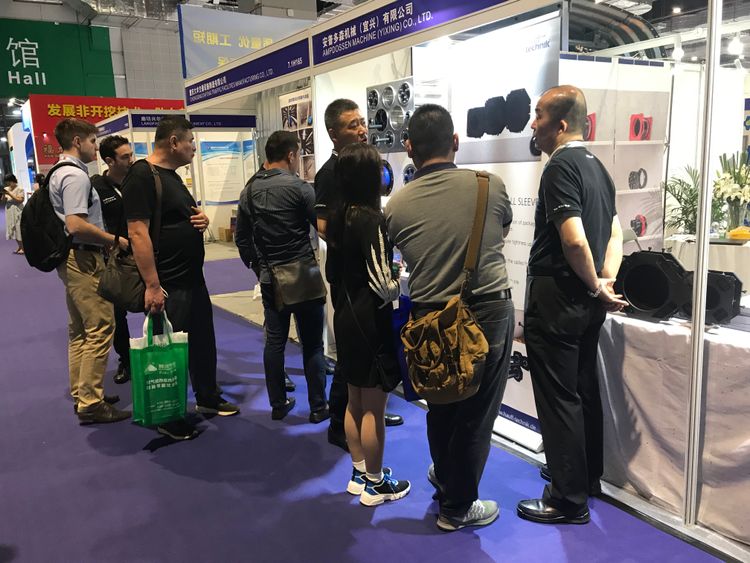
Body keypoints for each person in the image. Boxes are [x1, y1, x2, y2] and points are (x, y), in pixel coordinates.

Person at [385, 104, 514, 532]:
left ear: (409, 148)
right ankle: (457, 506)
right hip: (487, 310)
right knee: (477, 412)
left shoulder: (396, 205)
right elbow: (502, 230)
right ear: (455, 141)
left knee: (440, 404)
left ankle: (446, 478)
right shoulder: (489, 186)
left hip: (428, 316)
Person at [516, 86, 626, 525]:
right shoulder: (598, 167)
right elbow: (614, 234)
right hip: (584, 299)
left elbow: (574, 239)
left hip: (558, 298)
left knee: (559, 396)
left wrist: (596, 285)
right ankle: (584, 477)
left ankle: (567, 498)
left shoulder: (560, 166)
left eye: (539, 115)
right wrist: (603, 282)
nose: (533, 124)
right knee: (581, 389)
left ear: (561, 125)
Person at [122, 116, 240, 441]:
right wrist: (152, 285)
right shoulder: (142, 175)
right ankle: (168, 416)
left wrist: (201, 220)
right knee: (167, 349)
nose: (194, 148)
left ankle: (208, 396)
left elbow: (178, 216)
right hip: (168, 282)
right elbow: (137, 232)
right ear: (174, 142)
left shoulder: (170, 176)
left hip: (191, 278)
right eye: (190, 141)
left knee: (202, 341)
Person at [315, 98, 404, 453]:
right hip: (360, 296)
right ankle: (369, 468)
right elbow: (383, 284)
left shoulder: (354, 215)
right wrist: (395, 277)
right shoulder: (360, 212)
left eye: (362, 123)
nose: (362, 130)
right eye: (353, 125)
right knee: (360, 389)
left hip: (353, 293)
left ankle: (359, 464)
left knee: (357, 386)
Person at [327, 143, 410, 506]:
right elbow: (382, 284)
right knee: (374, 406)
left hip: (345, 317)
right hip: (369, 320)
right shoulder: (371, 219)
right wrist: (398, 278)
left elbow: (336, 273)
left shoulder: (338, 217)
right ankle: (376, 484)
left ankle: (360, 472)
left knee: (354, 399)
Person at [235, 131, 328, 423]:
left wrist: (259, 267)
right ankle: (318, 407)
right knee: (312, 344)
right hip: (304, 275)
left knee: (275, 343)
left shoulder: (248, 191)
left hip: (270, 279)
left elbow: (242, 240)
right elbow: (322, 228)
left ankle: (278, 404)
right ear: (291, 155)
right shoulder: (300, 188)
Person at [49, 118, 130, 424]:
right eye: (93, 141)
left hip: (72, 257)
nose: (95, 147)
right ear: (77, 141)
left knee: (80, 330)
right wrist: (113, 240)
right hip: (83, 258)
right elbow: (76, 224)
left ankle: (82, 393)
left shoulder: (59, 171)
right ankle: (91, 403)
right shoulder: (75, 176)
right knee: (100, 326)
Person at [91, 135, 134, 385]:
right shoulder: (96, 187)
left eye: (131, 154)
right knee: (117, 313)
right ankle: (126, 360)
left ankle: (159, 354)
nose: (131, 160)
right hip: (115, 259)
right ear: (110, 161)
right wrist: (110, 241)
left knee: (158, 305)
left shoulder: (138, 180)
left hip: (146, 253)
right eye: (125, 157)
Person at [4, 174, 24, 254]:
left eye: (9, 182)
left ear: (13, 180)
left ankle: (23, 248)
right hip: (9, 211)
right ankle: (20, 246)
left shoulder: (20, 189)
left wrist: (10, 194)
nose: (8, 184)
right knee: (13, 229)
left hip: (17, 210)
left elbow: (20, 200)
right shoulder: (6, 188)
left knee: (19, 228)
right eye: (7, 182)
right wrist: (3, 196)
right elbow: (4, 200)